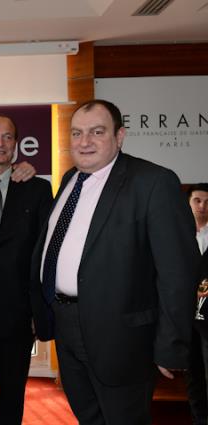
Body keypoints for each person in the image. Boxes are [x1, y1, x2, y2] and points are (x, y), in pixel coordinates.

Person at [30, 99, 200, 425]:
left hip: (122, 339)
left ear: (119, 136)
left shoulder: (153, 182)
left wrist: (172, 345)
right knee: (88, 417)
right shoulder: (69, 179)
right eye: (77, 133)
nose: (84, 141)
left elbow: (178, 272)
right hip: (66, 325)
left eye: (97, 132)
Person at [0, 114, 53, 425]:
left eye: (6, 137)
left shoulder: (38, 189)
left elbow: (45, 252)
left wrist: (37, 310)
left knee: (13, 391)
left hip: (17, 313)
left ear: (16, 145)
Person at [185, 183, 208, 425]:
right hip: (184, 316)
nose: (202, 207)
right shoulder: (178, 233)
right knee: (193, 375)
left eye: (207, 202)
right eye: (197, 201)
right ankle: (198, 419)